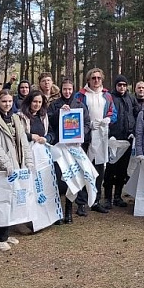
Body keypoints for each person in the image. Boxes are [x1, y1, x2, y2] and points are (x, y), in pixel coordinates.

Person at [0, 89, 33, 250]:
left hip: (16, 166)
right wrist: (5, 165)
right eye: (4, 101)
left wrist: (28, 162)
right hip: (1, 168)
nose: (7, 104)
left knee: (12, 200)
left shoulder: (16, 118)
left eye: (10, 101)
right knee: (2, 201)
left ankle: (6, 233)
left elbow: (23, 141)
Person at [47, 79, 91, 223]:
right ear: (61, 90)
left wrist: (80, 136)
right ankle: (57, 212)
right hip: (59, 147)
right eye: (65, 89)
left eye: (70, 89)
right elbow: (50, 124)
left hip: (74, 147)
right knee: (59, 180)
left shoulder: (80, 105)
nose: (67, 92)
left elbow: (86, 124)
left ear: (73, 90)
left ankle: (68, 212)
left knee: (72, 179)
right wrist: (59, 113)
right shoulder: (54, 105)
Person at [74, 68, 117, 214]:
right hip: (85, 137)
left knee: (99, 169)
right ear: (88, 80)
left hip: (102, 136)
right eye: (93, 78)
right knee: (83, 168)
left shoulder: (107, 96)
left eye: (99, 78)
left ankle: (96, 200)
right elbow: (75, 113)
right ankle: (81, 202)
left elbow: (113, 112)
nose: (96, 80)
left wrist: (108, 119)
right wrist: (87, 124)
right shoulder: (80, 95)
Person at [105, 76, 137, 208]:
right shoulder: (110, 98)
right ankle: (107, 198)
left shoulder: (131, 98)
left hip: (127, 139)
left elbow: (137, 114)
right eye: (119, 85)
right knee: (110, 169)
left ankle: (118, 196)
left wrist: (133, 131)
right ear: (115, 86)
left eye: (124, 85)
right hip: (113, 139)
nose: (122, 87)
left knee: (122, 170)